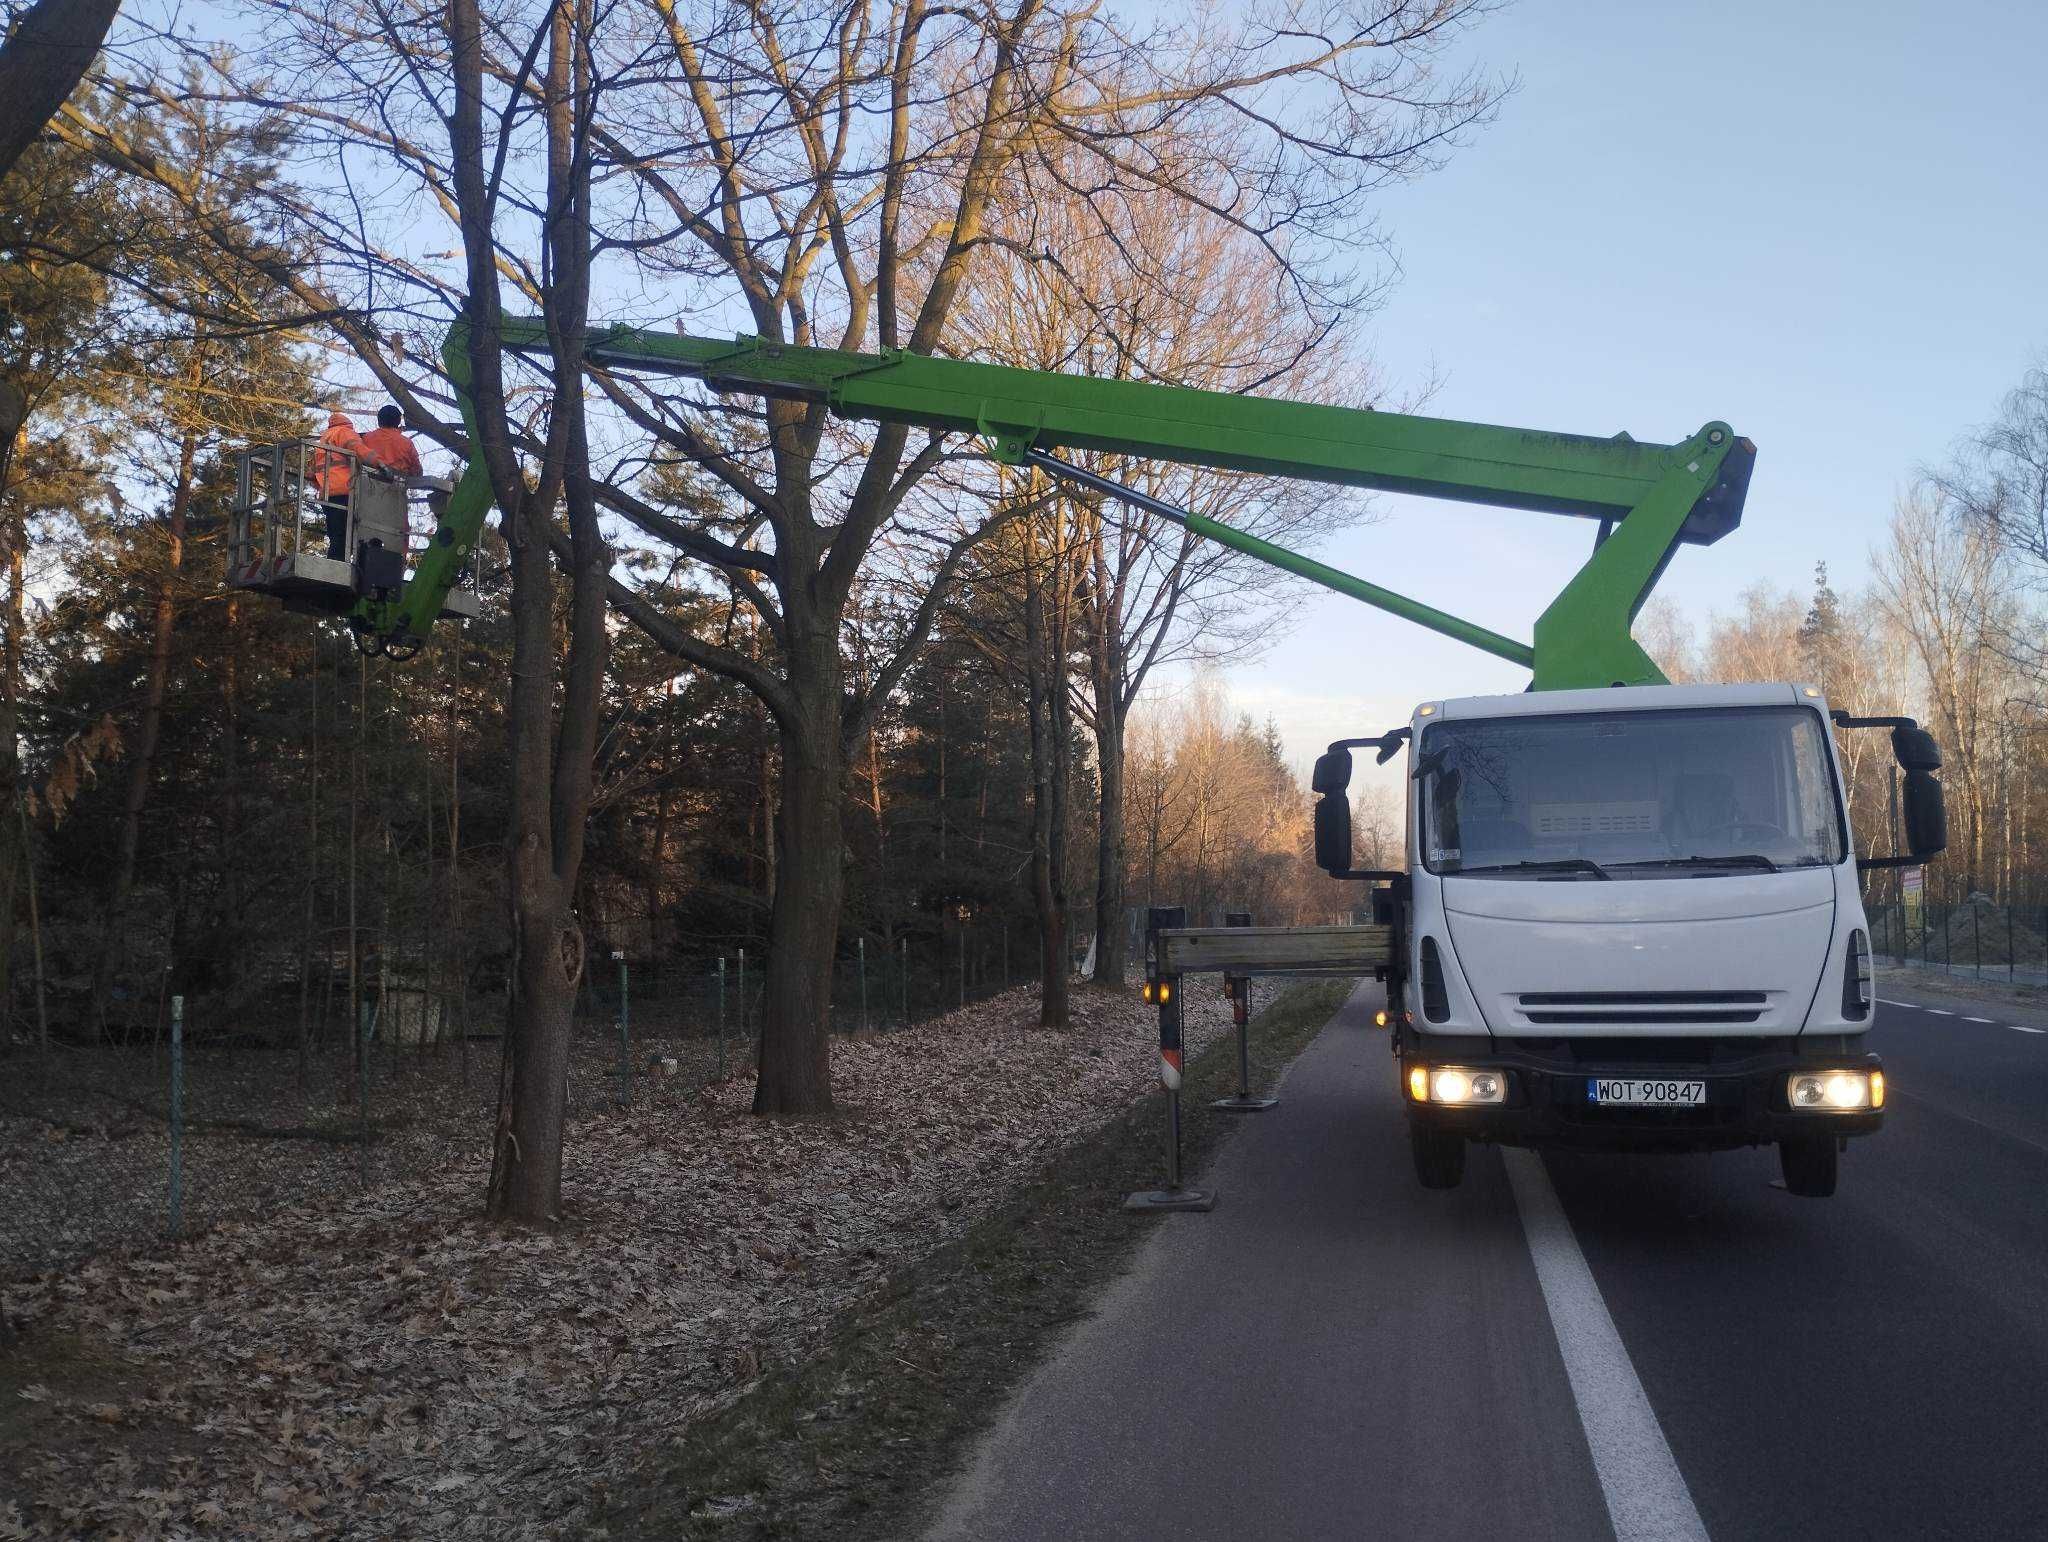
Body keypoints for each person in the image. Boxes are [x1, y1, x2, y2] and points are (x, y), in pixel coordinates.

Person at [310, 410, 363, 560]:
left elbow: (316, 470)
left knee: (336, 533)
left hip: (327, 493)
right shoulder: (345, 433)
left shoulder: (324, 439)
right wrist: (379, 463)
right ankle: (338, 564)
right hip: (344, 490)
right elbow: (361, 453)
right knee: (346, 534)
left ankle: (335, 562)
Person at [359, 404, 423, 479]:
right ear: (398, 421)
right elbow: (417, 472)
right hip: (395, 487)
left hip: (364, 483)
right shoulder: (407, 443)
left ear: (379, 421)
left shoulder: (365, 438)